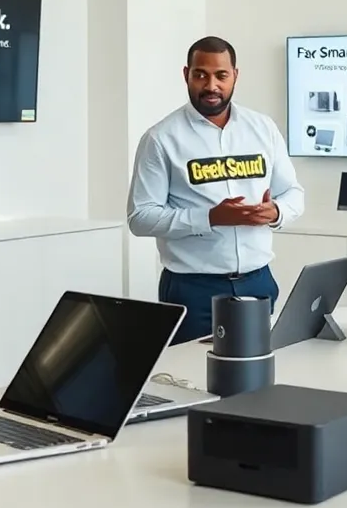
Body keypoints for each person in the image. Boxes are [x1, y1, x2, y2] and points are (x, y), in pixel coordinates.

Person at [127, 36, 305, 344]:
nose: (211, 85)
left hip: (258, 282)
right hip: (192, 291)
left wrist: (275, 211)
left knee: (260, 381)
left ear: (235, 75)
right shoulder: (161, 139)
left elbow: (293, 193)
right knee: (192, 383)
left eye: (221, 75)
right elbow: (140, 218)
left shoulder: (263, 129)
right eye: (201, 75)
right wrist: (209, 217)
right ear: (187, 75)